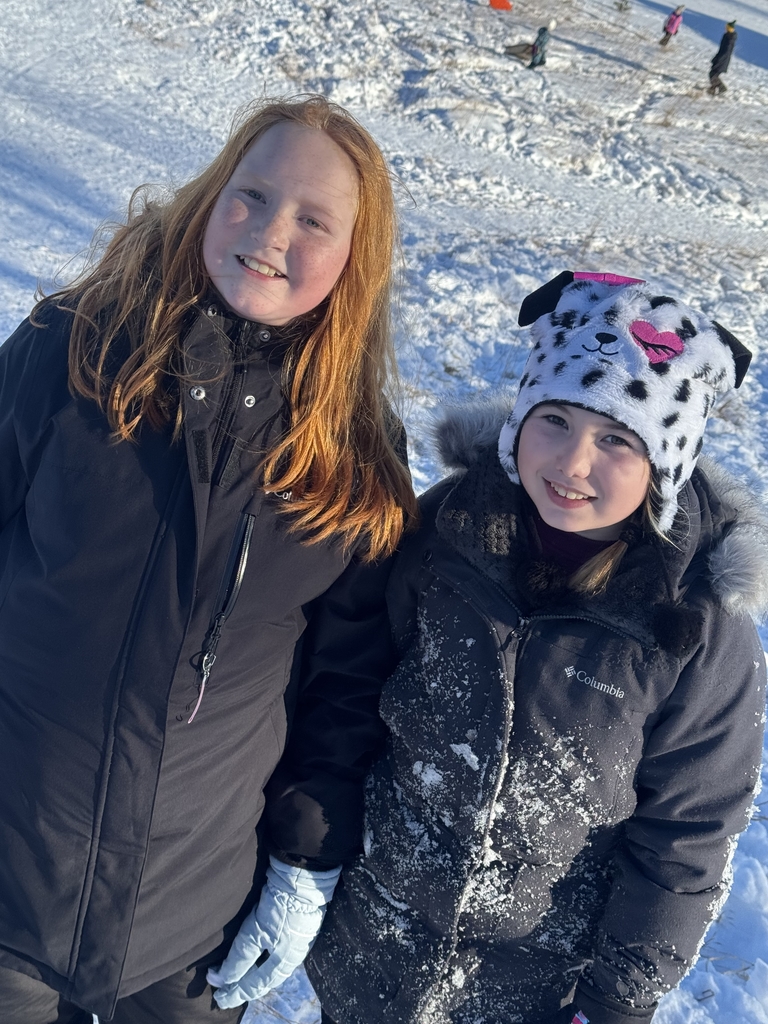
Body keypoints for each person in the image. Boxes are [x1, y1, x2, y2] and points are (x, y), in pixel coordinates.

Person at [0, 94, 417, 1024]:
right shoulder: (73, 351)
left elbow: (343, 686)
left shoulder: (350, 451)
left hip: (190, 923)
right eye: (252, 195)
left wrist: (306, 860)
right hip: (12, 877)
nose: (270, 234)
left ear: (356, 258)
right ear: (211, 196)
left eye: (314, 220)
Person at [301, 271, 767, 1024]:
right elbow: (352, 691)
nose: (573, 464)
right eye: (554, 420)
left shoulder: (693, 622)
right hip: (375, 952)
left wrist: (618, 1001)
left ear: (666, 463)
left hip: (533, 990)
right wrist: (310, 852)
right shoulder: (447, 531)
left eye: (616, 439)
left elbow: (688, 832)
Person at [709, 20, 737, 94]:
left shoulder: (730, 38)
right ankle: (712, 89)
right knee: (713, 74)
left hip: (723, 60)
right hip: (720, 58)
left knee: (713, 74)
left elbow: (726, 51)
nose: (725, 28)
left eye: (726, 27)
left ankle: (721, 88)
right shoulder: (727, 35)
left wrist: (719, 59)